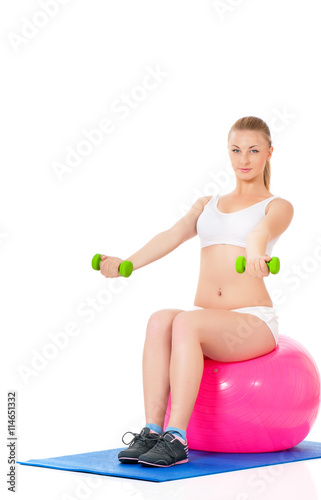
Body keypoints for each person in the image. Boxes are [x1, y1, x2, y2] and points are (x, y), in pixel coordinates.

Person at [99, 116, 294, 467]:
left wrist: (254, 255)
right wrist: (126, 262)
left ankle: (177, 438)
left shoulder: (277, 205)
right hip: (210, 321)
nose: (243, 159)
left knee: (187, 324)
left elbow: (259, 234)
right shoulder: (207, 203)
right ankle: (153, 431)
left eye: (252, 150)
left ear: (269, 153)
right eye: (236, 150)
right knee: (160, 320)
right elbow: (171, 235)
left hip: (251, 322)